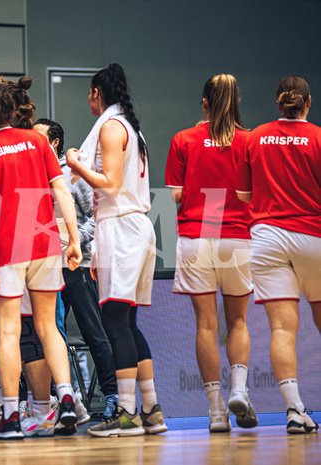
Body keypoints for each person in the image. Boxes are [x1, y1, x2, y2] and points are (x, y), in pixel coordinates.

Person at [0, 75, 82, 440]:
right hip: (45, 241)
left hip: (7, 246)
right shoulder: (37, 139)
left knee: (10, 332)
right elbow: (61, 189)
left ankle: (12, 416)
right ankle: (64, 400)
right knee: (49, 328)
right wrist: (74, 238)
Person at [65, 63, 167, 437]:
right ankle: (151, 409)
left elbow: (107, 184)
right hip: (133, 226)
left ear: (97, 93)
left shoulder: (110, 127)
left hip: (121, 226)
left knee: (115, 323)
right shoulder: (131, 129)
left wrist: (75, 162)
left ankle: (126, 413)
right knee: (127, 321)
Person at [165, 74, 257, 433]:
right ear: (237, 102)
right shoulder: (250, 142)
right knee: (237, 321)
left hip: (197, 235)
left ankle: (217, 410)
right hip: (238, 235)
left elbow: (174, 194)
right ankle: (239, 389)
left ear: (204, 102)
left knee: (206, 324)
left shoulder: (183, 139)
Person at [236, 75, 321, 435]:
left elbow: (243, 194)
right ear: (308, 102)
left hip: (266, 238)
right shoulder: (318, 136)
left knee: (282, 329)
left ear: (278, 103)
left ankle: (294, 410)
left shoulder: (255, 137)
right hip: (313, 237)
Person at [34, 118, 120, 420]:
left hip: (74, 264)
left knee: (94, 333)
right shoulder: (34, 172)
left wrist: (68, 239)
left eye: (39, 135)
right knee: (50, 334)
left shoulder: (72, 174)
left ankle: (112, 396)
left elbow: (94, 220)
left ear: (54, 141)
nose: (33, 140)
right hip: (45, 267)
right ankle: (65, 400)